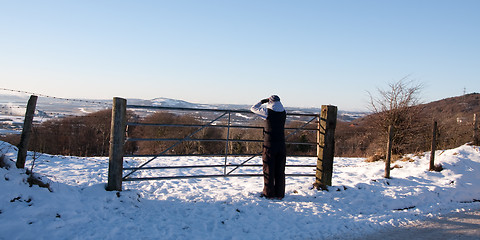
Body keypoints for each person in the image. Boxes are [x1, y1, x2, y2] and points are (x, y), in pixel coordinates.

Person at [250, 95, 287, 199]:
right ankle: (280, 194)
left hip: (270, 144)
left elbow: (253, 108)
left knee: (268, 169)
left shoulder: (267, 112)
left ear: (270, 102)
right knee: (280, 170)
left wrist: (262, 101)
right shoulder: (284, 112)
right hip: (281, 144)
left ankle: (269, 193)